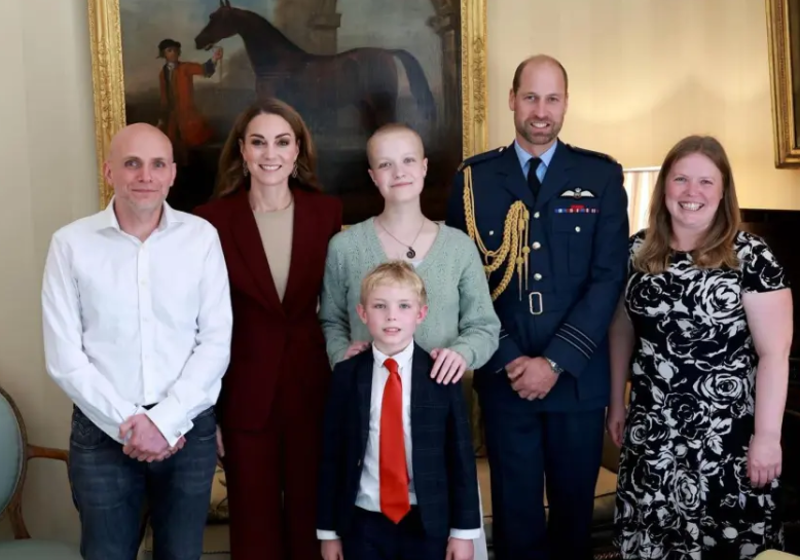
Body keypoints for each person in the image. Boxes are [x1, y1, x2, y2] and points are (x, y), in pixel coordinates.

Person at [446, 54, 630, 560]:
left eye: (552, 98)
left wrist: (553, 362)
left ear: (566, 103)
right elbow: (463, 284)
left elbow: (608, 279)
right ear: (512, 100)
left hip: (576, 381)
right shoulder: (472, 181)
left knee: (574, 522)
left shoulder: (600, 176)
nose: (541, 110)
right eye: (531, 97)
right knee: (515, 519)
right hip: (506, 382)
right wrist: (509, 360)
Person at [41, 123, 233, 560]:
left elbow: (216, 342)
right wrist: (132, 424)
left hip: (187, 431)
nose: (145, 175)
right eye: (132, 164)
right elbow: (64, 357)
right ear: (110, 171)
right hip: (103, 431)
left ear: (172, 174)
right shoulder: (70, 245)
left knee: (181, 555)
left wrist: (165, 420)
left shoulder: (201, 239)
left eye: (157, 164)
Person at [319, 123, 498, 559]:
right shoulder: (345, 247)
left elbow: (484, 325)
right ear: (372, 175)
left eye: (406, 161)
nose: (397, 172)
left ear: (423, 167)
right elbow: (331, 321)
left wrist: (462, 353)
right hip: (370, 409)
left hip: (438, 416)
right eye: (385, 163)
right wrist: (345, 357)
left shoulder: (458, 247)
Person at [607, 135, 791, 559]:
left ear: (723, 190)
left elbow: (774, 354)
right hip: (652, 433)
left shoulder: (752, 257)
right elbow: (621, 330)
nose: (692, 193)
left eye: (706, 182)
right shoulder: (637, 250)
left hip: (727, 439)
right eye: (681, 179)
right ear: (664, 187)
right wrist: (616, 402)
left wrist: (767, 437)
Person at [193, 98, 343, 560]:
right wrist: (208, 413)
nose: (270, 153)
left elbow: (338, 308)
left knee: (311, 525)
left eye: (282, 141)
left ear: (298, 151)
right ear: (242, 150)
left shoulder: (327, 213)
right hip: (242, 396)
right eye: (258, 142)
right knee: (253, 533)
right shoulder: (210, 221)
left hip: (313, 390)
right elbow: (198, 324)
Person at [317, 261, 481, 560]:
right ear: (363, 313)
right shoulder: (346, 375)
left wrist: (464, 532)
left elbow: (460, 458)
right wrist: (328, 533)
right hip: (362, 519)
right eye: (380, 306)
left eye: (404, 305)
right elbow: (332, 456)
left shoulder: (441, 375)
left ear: (421, 314)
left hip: (427, 521)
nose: (392, 315)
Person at [156, 38, 223, 162]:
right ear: (163, 54)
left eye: (176, 50)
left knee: (194, 142)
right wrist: (162, 118)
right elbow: (164, 97)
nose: (173, 53)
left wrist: (215, 58)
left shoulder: (185, 67)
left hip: (188, 114)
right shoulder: (162, 73)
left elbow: (204, 70)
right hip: (172, 116)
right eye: (169, 50)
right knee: (170, 145)